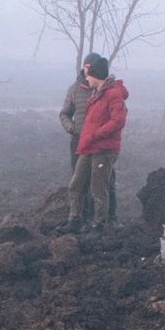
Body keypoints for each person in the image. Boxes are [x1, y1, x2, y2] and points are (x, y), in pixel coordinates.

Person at [67, 54, 127, 233]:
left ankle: (99, 225)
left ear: (96, 76)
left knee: (98, 188)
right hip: (89, 146)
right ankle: (74, 219)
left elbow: (118, 121)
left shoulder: (113, 95)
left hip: (103, 149)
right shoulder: (96, 94)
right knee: (76, 183)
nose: (86, 78)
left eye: (89, 75)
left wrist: (97, 134)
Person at [59, 52, 117, 214]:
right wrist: (72, 128)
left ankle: (110, 217)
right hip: (79, 141)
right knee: (78, 181)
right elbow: (64, 113)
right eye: (86, 67)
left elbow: (117, 118)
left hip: (100, 144)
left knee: (105, 182)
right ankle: (81, 216)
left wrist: (101, 134)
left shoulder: (106, 91)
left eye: (91, 68)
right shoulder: (74, 89)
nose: (87, 71)